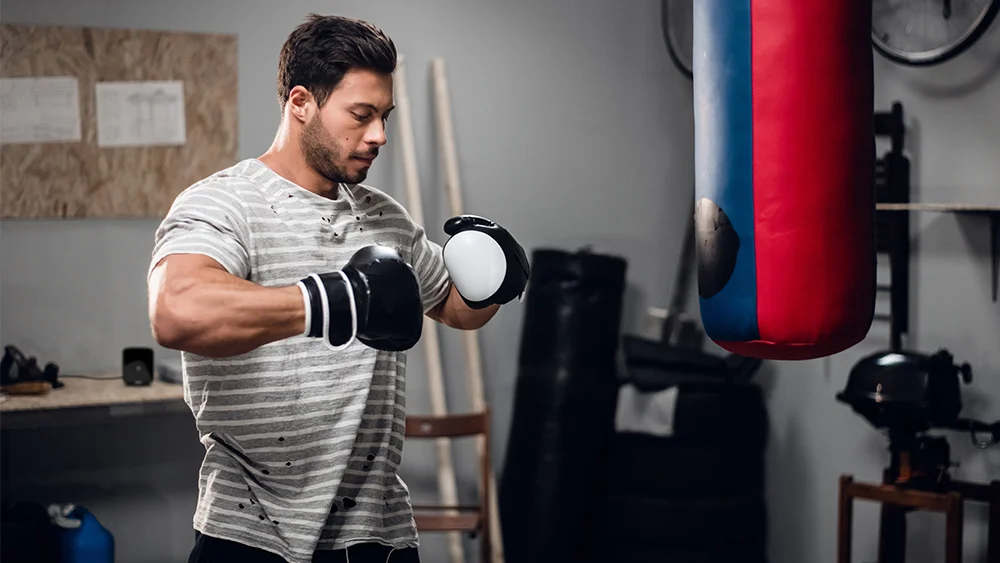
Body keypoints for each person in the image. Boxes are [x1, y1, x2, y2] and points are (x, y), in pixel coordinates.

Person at [146, 13, 528, 563]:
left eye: (385, 117)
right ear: (301, 102)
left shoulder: (385, 217)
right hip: (252, 535)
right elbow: (176, 310)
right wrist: (330, 300)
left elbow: (455, 309)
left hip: (378, 534)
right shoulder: (225, 204)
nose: (379, 136)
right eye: (361, 115)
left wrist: (491, 280)